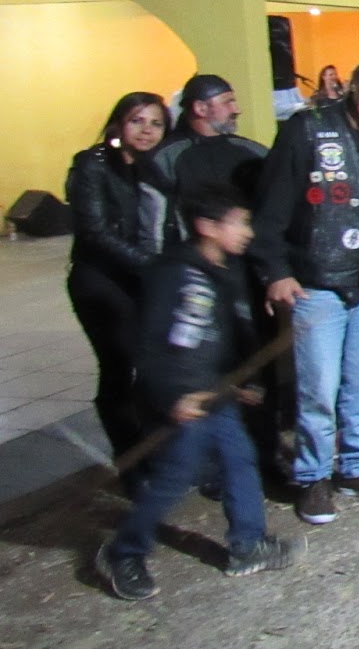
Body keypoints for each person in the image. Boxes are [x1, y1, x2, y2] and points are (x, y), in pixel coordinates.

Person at [95, 184, 303, 600]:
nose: (247, 232)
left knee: (239, 459)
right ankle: (122, 552)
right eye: (239, 223)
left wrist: (238, 381)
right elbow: (151, 343)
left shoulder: (221, 269)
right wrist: (175, 396)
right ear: (207, 226)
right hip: (183, 398)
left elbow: (220, 335)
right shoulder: (172, 273)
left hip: (214, 392)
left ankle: (248, 544)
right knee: (175, 476)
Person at [251, 52, 359, 526]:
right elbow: (271, 205)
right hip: (315, 284)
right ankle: (313, 477)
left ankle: (357, 466)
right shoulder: (306, 129)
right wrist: (275, 271)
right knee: (318, 389)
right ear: (354, 84)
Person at [65, 91, 169, 468]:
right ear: (118, 123)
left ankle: (148, 444)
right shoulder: (92, 164)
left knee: (150, 362)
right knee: (119, 362)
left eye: (156, 123)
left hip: (139, 277)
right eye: (137, 121)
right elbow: (95, 231)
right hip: (100, 279)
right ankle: (129, 458)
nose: (146, 130)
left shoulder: (152, 166)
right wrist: (150, 266)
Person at [145, 74, 270, 248]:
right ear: (201, 108)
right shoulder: (167, 156)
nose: (236, 110)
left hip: (251, 253)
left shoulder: (254, 151)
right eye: (227, 102)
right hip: (189, 255)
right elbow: (156, 219)